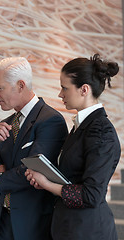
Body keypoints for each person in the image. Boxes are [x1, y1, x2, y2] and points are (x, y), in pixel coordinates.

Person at [25, 54, 121, 240]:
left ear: (84, 89)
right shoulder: (82, 126)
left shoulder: (100, 130)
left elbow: (91, 195)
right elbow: (71, 178)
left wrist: (47, 184)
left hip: (88, 230)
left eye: (64, 88)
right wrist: (44, 177)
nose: (60, 94)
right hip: (70, 226)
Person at [0, 57, 69, 240]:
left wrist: (1, 176)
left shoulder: (51, 120)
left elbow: (33, 171)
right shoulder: (5, 124)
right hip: (2, 221)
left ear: (20, 85)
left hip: (32, 224)